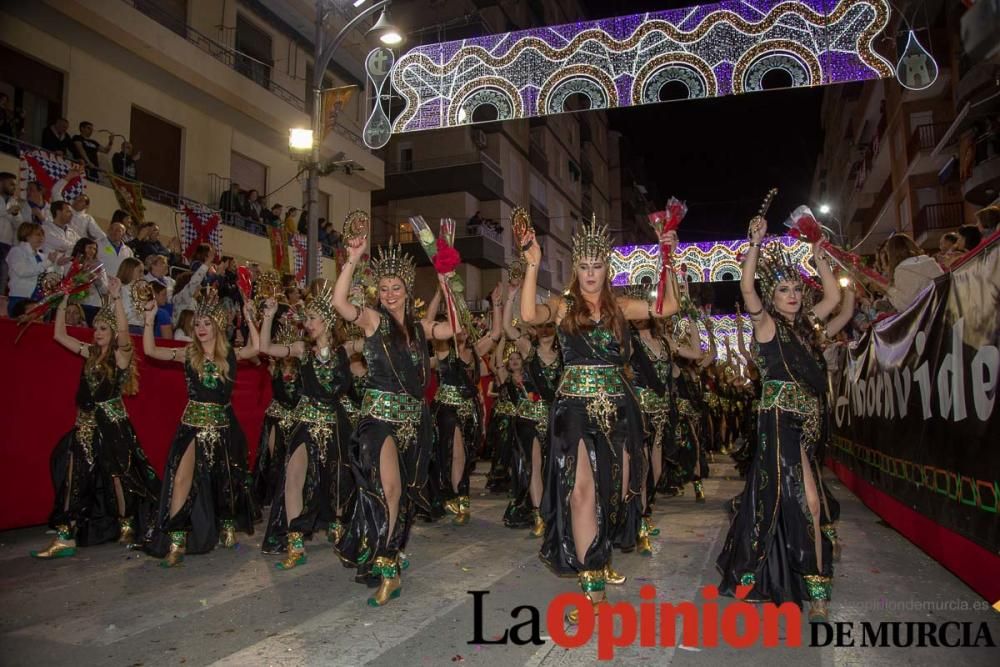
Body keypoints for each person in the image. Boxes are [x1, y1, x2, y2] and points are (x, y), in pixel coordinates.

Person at [518, 216, 679, 622]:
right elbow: (527, 314)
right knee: (579, 492)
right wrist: (532, 263)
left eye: (598, 266)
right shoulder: (562, 306)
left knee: (617, 492)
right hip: (572, 408)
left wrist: (667, 258)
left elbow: (668, 305)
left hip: (617, 410)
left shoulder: (621, 307)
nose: (591, 274)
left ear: (608, 268)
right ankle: (592, 586)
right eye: (584, 267)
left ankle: (600, 552)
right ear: (577, 268)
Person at [716, 215, 841, 621]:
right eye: (783, 289)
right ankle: (816, 583)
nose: (791, 295)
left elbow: (835, 300)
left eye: (795, 289)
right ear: (772, 295)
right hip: (779, 420)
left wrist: (819, 256)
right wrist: (754, 243)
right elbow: (747, 286)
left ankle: (805, 571)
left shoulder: (806, 327)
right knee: (807, 499)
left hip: (809, 423)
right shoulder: (767, 326)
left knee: (801, 497)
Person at [332, 239, 460, 606]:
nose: (389, 294)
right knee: (387, 489)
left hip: (413, 423)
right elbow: (340, 304)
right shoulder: (373, 320)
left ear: (407, 291)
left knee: (400, 496)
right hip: (378, 419)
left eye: (396, 288)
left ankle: (387, 547)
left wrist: (450, 282)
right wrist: (352, 260)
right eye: (384, 289)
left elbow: (456, 326)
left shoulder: (422, 329)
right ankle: (389, 569)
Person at [31, 278, 160, 558]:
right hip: (85, 423)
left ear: (112, 332)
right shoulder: (90, 353)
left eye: (103, 329)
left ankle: (126, 522)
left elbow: (125, 334)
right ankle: (66, 535)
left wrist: (116, 299)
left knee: (119, 474)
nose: (97, 333)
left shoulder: (120, 356)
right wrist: (63, 302)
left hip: (112, 423)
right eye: (95, 328)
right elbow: (60, 336)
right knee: (74, 473)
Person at [141, 289, 259, 567]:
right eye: (197, 324)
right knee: (182, 478)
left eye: (207, 323)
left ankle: (226, 526)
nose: (201, 329)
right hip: (192, 424)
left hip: (223, 427)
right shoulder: (187, 354)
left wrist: (251, 319)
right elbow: (150, 351)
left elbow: (256, 348)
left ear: (217, 326)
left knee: (225, 481)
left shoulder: (229, 355)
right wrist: (148, 320)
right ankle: (177, 540)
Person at [257, 289, 355, 567]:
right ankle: (295, 543)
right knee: (294, 476)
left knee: (337, 480)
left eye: (312, 318)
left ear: (326, 319)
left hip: (336, 423)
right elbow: (265, 348)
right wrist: (268, 316)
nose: (307, 324)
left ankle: (337, 528)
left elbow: (376, 336)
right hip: (306, 421)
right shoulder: (301, 350)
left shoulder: (345, 350)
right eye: (307, 319)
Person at [430, 284, 502, 525]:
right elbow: (428, 328)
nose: (461, 329)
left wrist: (498, 304)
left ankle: (459, 495)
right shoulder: (443, 351)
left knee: (466, 454)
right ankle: (457, 496)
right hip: (447, 410)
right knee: (453, 451)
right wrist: (439, 294)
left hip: (469, 409)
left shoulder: (475, 349)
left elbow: (496, 333)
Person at [501, 278, 562, 536]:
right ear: (535, 328)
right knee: (535, 463)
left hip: (556, 418)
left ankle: (555, 511)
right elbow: (506, 327)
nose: (546, 329)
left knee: (554, 467)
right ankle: (539, 516)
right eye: (541, 325)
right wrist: (512, 296)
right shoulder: (527, 348)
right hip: (528, 416)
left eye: (550, 325)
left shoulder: (565, 354)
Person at [252, 307, 302, 510]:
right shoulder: (274, 367)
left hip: (298, 417)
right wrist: (258, 320)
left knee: (295, 461)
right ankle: (276, 496)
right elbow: (257, 350)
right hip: (276, 417)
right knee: (276, 459)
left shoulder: (302, 368)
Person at [6, 222, 68, 316]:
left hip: (39, 299)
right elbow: (23, 271)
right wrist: (48, 262)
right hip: (20, 298)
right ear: (26, 235)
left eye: (42, 235)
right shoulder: (17, 251)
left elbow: (49, 277)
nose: (41, 237)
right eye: (38, 234)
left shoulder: (42, 256)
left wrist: (58, 265)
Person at [879, 234, 943, 311]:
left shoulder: (903, 270)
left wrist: (888, 290)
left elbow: (905, 305)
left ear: (891, 254)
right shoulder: (929, 262)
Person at [1, 171, 31, 296]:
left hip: (6, 245)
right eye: (11, 184)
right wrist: (7, 212)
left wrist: (14, 215)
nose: (14, 187)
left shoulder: (14, 202)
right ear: (1, 183)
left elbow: (19, 225)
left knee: (2, 277)